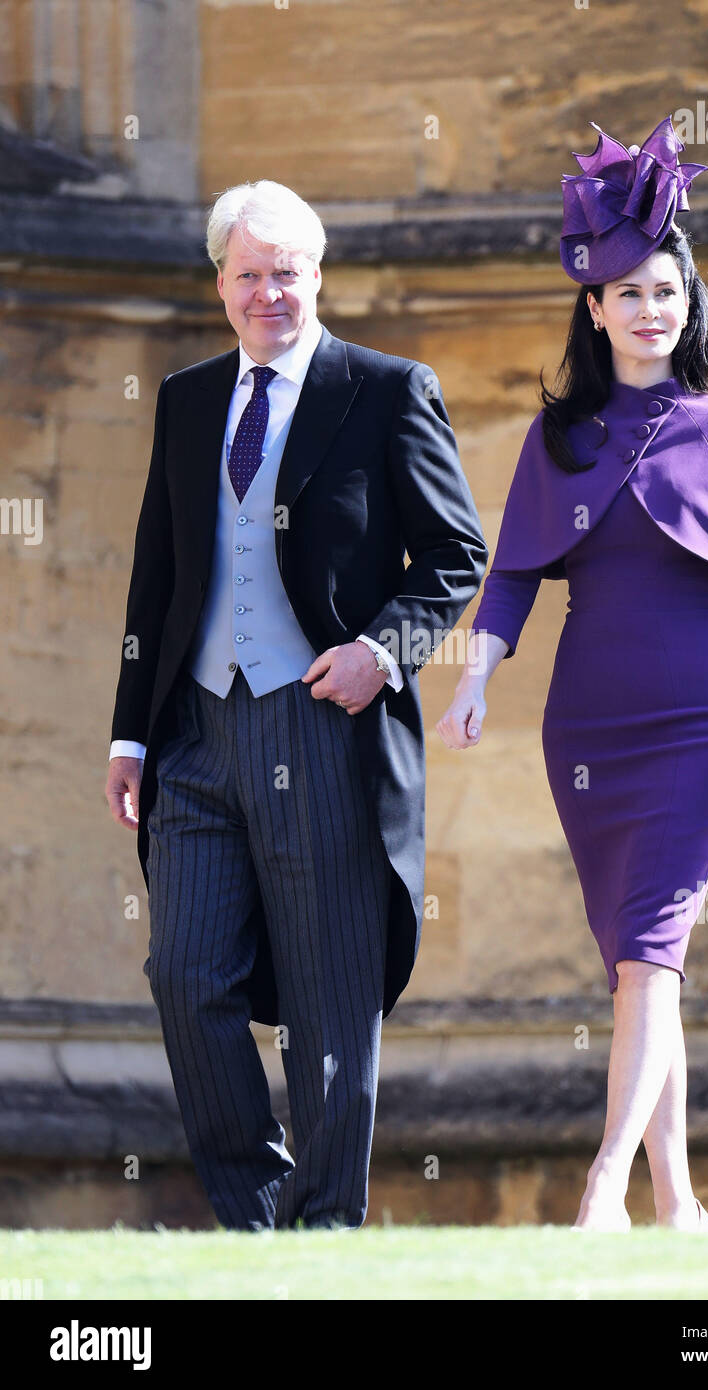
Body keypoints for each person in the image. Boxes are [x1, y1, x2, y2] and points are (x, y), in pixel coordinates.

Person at [436, 117, 708, 1232]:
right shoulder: (556, 437)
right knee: (634, 963)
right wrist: (473, 679)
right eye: (626, 294)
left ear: (685, 298)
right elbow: (513, 575)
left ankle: (602, 1183)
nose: (648, 310)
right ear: (593, 307)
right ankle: (676, 1196)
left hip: (693, 727)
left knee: (650, 956)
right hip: (586, 729)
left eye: (664, 291)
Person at [104, 179, 487, 1231]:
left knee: (326, 999)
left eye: (287, 273)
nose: (268, 292)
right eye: (248, 274)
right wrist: (130, 731)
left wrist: (381, 651)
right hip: (193, 732)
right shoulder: (186, 399)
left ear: (316, 276)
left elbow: (456, 555)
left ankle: (321, 1236)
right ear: (219, 282)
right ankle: (252, 1209)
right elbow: (157, 574)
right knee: (184, 974)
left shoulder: (385, 387)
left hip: (320, 724)